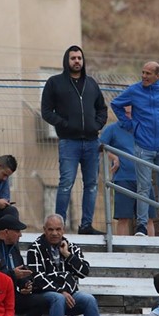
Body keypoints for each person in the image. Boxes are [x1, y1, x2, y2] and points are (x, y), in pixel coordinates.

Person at [110, 61, 159, 237]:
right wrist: (130, 125)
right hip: (143, 147)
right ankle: (141, 226)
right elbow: (115, 104)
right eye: (143, 72)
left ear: (157, 75)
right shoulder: (134, 90)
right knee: (144, 187)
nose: (144, 76)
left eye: (148, 73)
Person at [40, 45, 108, 235]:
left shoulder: (91, 84)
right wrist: (64, 124)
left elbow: (102, 109)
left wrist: (96, 125)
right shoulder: (55, 83)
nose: (77, 61)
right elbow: (46, 111)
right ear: (67, 60)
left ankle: (86, 226)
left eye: (79, 58)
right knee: (66, 183)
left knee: (91, 185)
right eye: (73, 58)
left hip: (92, 142)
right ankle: (58, 226)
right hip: (69, 142)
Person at [27, 214, 104, 316]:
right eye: (50, 229)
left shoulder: (72, 248)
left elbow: (84, 272)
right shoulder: (35, 249)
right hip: (45, 295)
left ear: (63, 230)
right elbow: (38, 277)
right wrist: (60, 291)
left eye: (58, 229)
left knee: (89, 299)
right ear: (44, 230)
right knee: (58, 298)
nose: (54, 233)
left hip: (71, 294)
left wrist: (68, 255)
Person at [99, 105, 156, 235]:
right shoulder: (112, 129)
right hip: (123, 178)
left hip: (144, 178)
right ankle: (122, 246)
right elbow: (100, 145)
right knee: (123, 218)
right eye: (126, 113)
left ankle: (152, 245)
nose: (129, 116)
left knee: (148, 218)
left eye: (131, 113)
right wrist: (114, 157)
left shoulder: (143, 128)